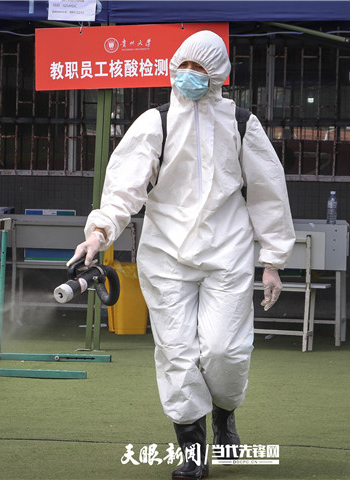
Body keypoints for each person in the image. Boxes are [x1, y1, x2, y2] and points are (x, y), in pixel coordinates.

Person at [68, 31, 295, 480]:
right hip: (166, 255)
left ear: (219, 74)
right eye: (183, 66)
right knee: (176, 351)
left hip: (227, 252)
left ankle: (224, 414)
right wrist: (98, 232)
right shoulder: (156, 122)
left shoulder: (241, 124)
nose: (189, 75)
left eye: (199, 68)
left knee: (224, 350)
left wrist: (273, 261)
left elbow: (268, 192)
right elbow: (123, 188)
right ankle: (192, 447)